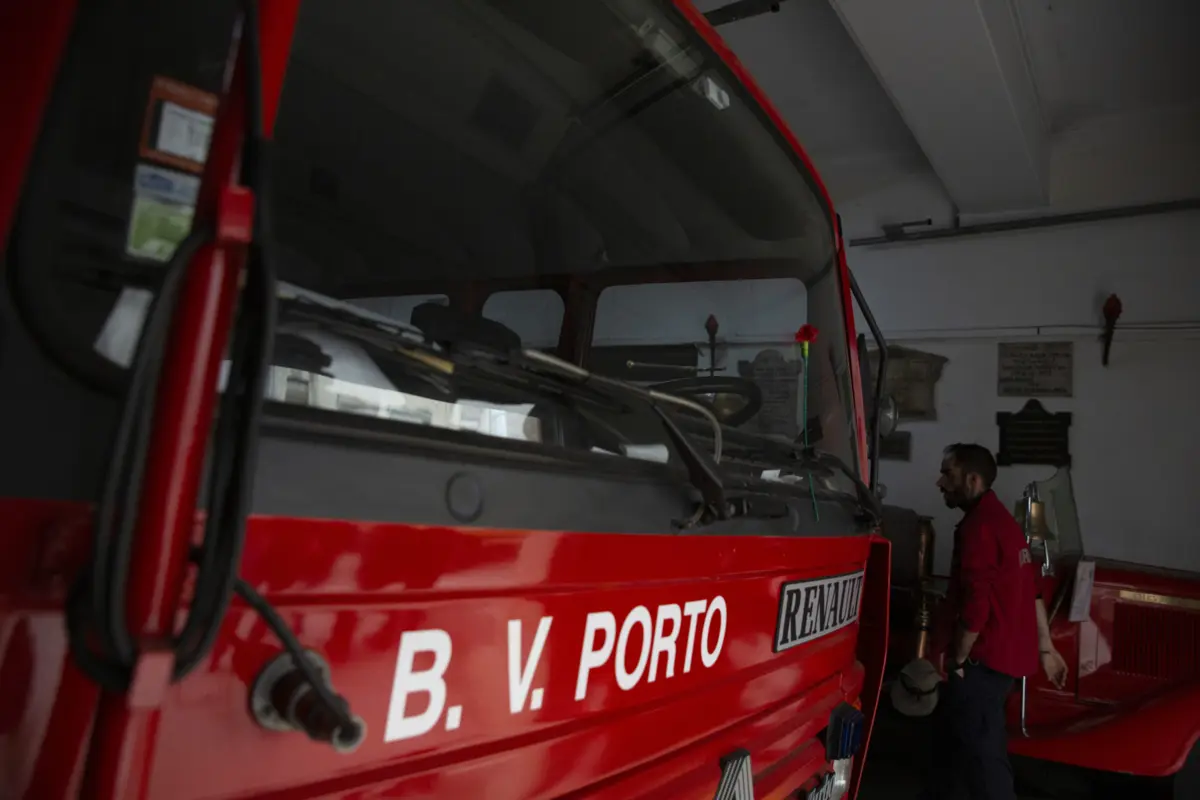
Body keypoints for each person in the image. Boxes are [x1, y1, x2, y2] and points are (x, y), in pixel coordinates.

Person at [922, 443, 1068, 800]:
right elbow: (1032, 590)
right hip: (1000, 663)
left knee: (983, 758)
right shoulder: (1004, 522)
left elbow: (976, 609)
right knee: (952, 750)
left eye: (948, 473)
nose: (940, 482)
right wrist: (1046, 647)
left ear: (972, 480)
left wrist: (957, 658)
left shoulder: (980, 528)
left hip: (981, 665)